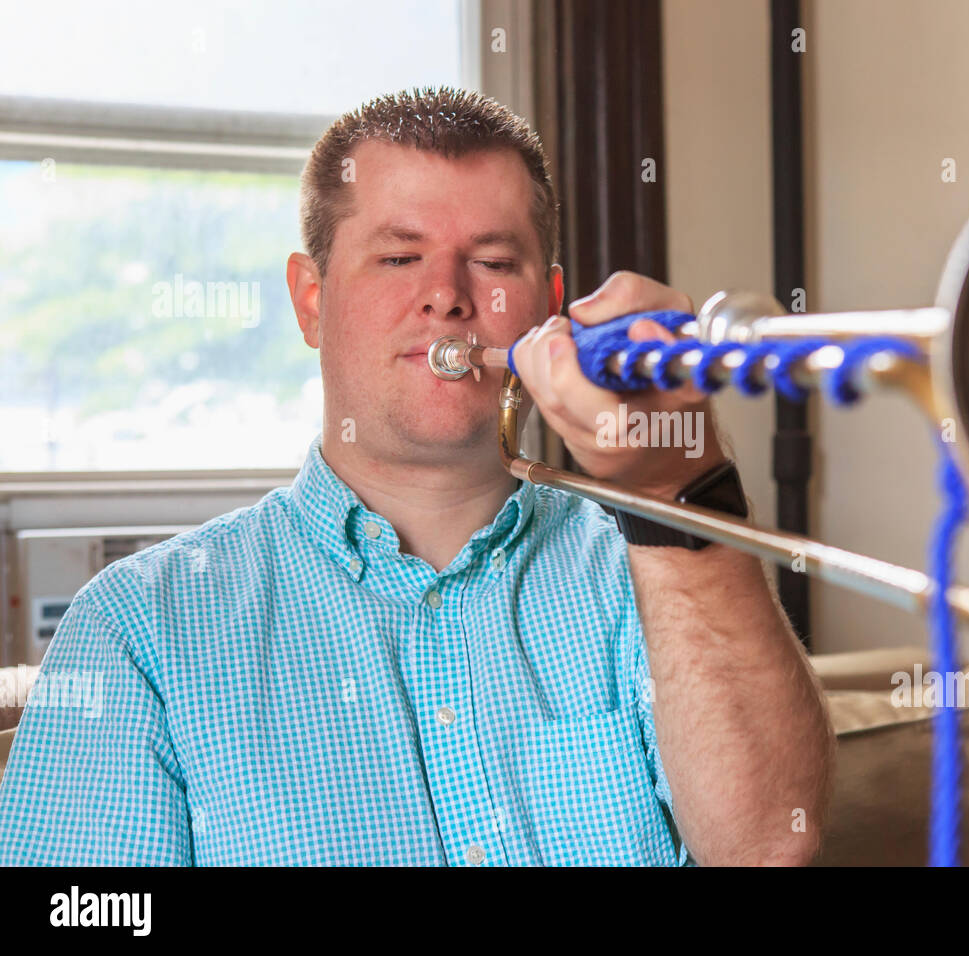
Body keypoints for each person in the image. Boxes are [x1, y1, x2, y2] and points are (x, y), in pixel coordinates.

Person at [0, 87, 834, 866]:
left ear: (548, 309)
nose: (446, 297)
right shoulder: (138, 625)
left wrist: (673, 486)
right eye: (400, 258)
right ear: (311, 300)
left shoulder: (647, 573)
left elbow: (767, 846)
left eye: (494, 263)